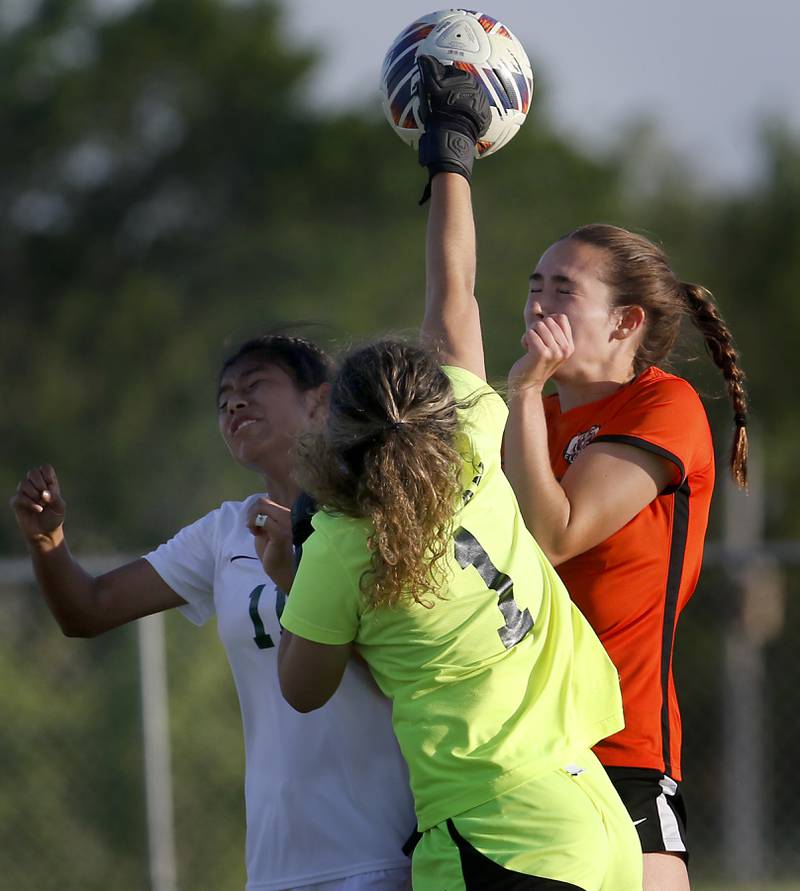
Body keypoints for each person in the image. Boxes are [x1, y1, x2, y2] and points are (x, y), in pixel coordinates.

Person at [264, 58, 642, 891]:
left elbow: (301, 686)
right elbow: (455, 295)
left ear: (336, 431)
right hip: (593, 813)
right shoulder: (473, 430)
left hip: (492, 831)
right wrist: (451, 152)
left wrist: (287, 568)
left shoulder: (339, 540)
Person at [10, 334, 415, 891]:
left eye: (254, 387)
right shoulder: (228, 531)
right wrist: (48, 541)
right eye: (224, 398)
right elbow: (87, 610)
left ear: (319, 402)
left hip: (383, 854)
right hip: (277, 864)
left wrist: (297, 577)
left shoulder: (377, 515)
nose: (234, 405)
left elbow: (407, 662)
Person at [502, 215, 749, 890]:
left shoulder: (662, 404)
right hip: (515, 746)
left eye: (562, 289)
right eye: (534, 286)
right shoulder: (533, 421)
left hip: (619, 745)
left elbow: (556, 535)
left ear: (624, 322)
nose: (538, 304)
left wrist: (523, 391)